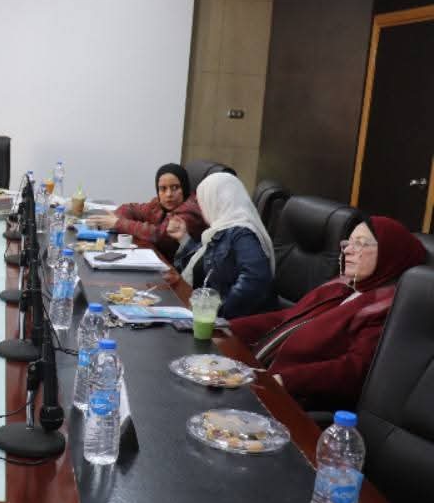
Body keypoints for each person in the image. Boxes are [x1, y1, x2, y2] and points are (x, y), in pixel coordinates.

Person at [230, 217, 426, 411]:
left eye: (360, 244)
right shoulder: (343, 285)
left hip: (296, 400)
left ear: (389, 254)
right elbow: (288, 318)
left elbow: (354, 369)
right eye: (348, 243)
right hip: (261, 376)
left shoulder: (386, 309)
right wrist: (228, 327)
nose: (347, 250)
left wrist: (286, 380)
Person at [167, 172, 275, 318]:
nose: (202, 209)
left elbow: (255, 279)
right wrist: (184, 238)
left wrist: (217, 312)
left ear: (216, 201)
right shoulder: (222, 229)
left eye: (203, 202)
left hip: (228, 322)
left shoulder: (242, 234)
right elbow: (208, 260)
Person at [87, 163, 207, 258]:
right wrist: (117, 220)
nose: (168, 194)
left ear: (184, 187)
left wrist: (118, 223)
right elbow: (130, 209)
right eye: (163, 189)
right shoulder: (159, 203)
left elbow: (160, 235)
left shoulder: (189, 211)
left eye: (175, 188)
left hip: (178, 273)